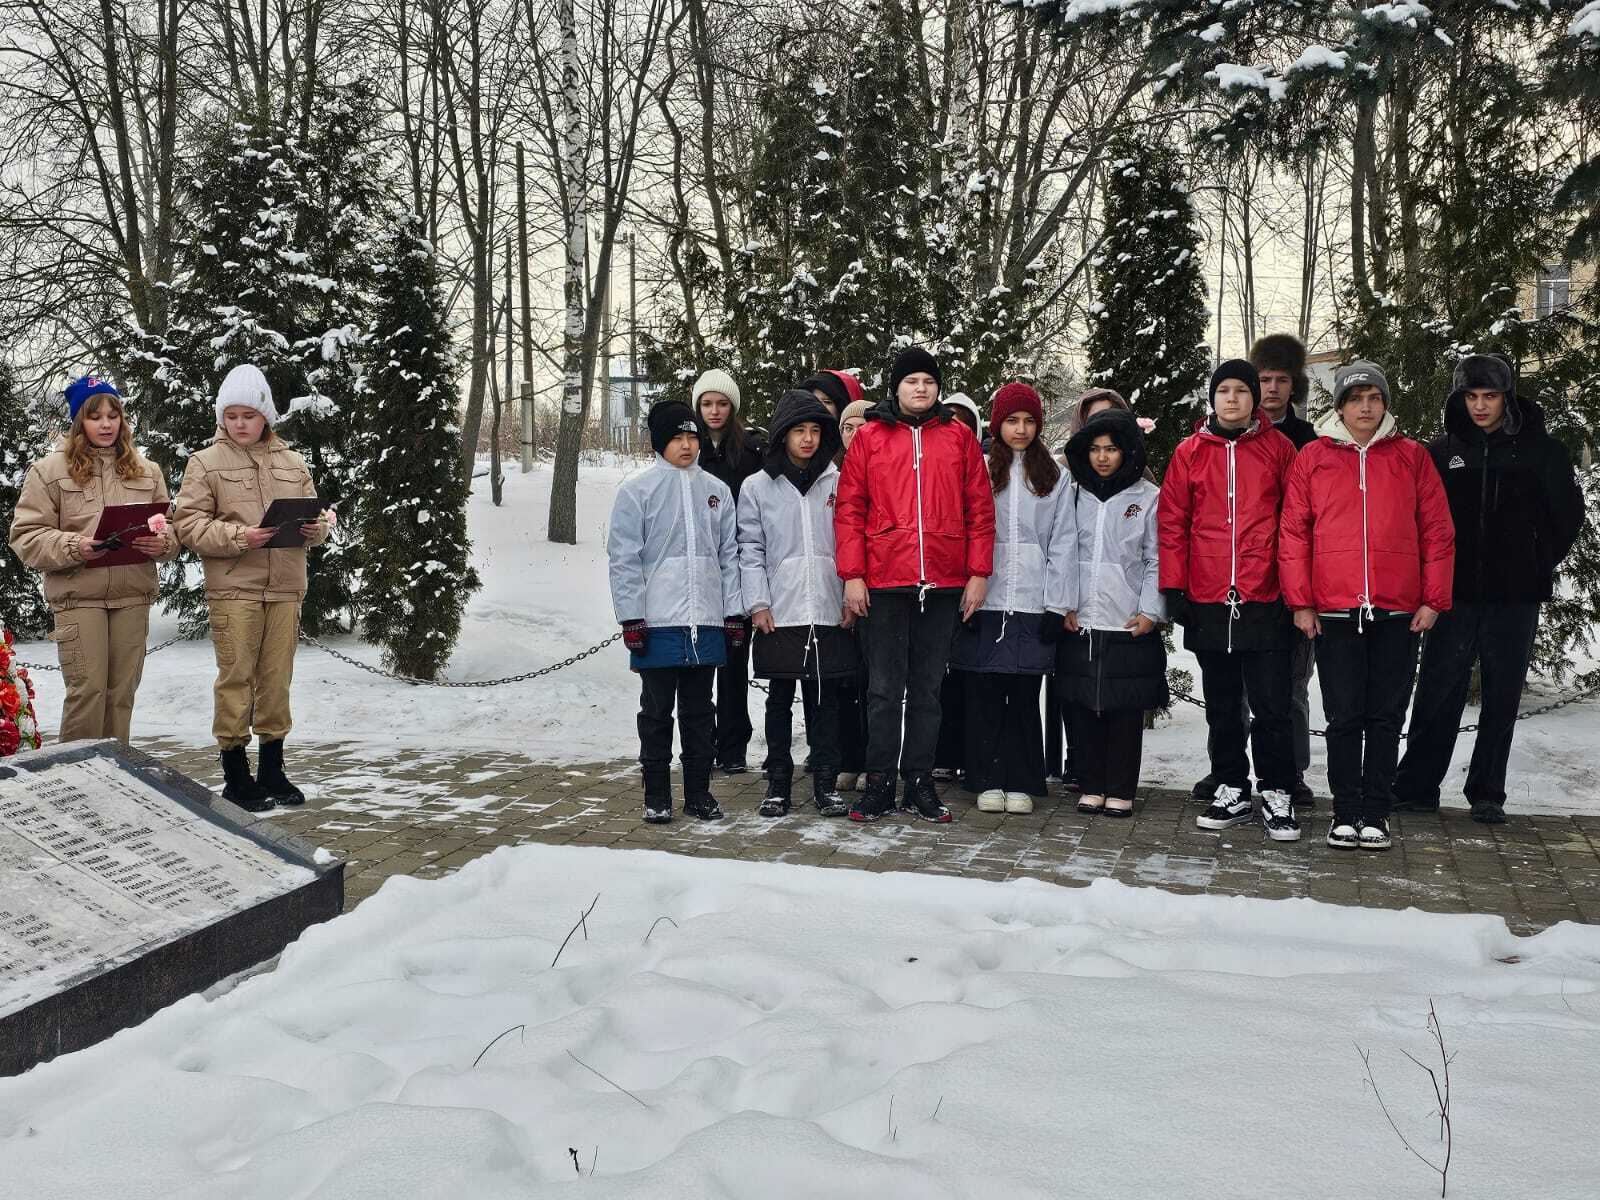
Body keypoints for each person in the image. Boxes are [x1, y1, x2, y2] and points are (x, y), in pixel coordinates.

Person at [1394, 353, 1585, 824]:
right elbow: (1420, 522)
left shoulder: (1541, 451)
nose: (1481, 406)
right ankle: (1417, 786)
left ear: (1507, 397)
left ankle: (1487, 791)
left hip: (1514, 596)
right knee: (1438, 689)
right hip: (1452, 594)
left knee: (1502, 694)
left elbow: (1567, 516)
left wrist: (1535, 559)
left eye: (1491, 396)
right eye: (1472, 396)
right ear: (1459, 398)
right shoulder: (1441, 453)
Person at [1280, 362, 1454, 850]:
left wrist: (1433, 599)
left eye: (1374, 398)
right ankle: (1345, 810)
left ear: (1385, 404)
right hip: (1334, 611)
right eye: (1356, 398)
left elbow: (1437, 532)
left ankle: (1375, 810)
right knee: (1343, 715)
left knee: (1385, 716)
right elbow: (1293, 533)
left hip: (1398, 611)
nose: (1365, 407)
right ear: (1340, 406)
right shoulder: (1313, 457)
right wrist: (1301, 602)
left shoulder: (1412, 457)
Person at [835, 346, 995, 823]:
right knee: (884, 690)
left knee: (927, 691)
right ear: (896, 387)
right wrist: (854, 575)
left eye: (928, 380)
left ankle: (919, 784)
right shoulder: (870, 438)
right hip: (884, 581)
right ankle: (879, 783)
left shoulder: (960, 438)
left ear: (938, 387)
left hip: (944, 582)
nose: (920, 388)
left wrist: (979, 573)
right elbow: (850, 511)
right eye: (911, 381)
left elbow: (980, 510)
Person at [172, 365, 330, 810]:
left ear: (266, 416)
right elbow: (188, 525)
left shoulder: (292, 462)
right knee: (237, 677)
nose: (240, 423)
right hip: (235, 589)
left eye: (249, 415)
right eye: (232, 415)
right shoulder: (205, 463)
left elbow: (312, 519)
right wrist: (242, 537)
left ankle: (274, 769)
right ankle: (236, 774)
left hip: (284, 587)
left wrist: (315, 530)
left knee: (276, 680)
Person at [1159, 360, 1301, 839]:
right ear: (1213, 398)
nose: (1234, 399)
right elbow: (1174, 523)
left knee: (1272, 705)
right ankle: (1232, 784)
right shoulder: (1189, 453)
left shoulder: (1280, 449)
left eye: (1243, 390)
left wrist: (1293, 589)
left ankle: (1278, 788)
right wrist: (1175, 588)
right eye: (1225, 390)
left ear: (1255, 399)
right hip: (1209, 596)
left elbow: (1294, 522)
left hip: (1266, 596)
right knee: (1222, 704)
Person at [9, 375, 178, 743]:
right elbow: (25, 537)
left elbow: (172, 530)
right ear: (78, 421)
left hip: (132, 595)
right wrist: (75, 546)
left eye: (113, 415)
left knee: (121, 696)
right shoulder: (49, 472)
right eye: (95, 415)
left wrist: (162, 544)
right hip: (78, 596)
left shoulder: (147, 472)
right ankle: (76, 781)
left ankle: (116, 779)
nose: (106, 424)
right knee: (88, 693)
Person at [608, 399, 745, 823]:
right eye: (677, 438)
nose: (687, 446)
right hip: (658, 622)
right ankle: (657, 794)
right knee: (656, 710)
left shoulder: (716, 491)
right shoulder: (638, 491)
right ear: (659, 443)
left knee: (700, 711)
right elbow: (624, 557)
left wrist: (733, 613)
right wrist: (632, 616)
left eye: (692, 437)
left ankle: (699, 792)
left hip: (705, 620)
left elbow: (730, 556)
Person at [738, 390, 858, 817]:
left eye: (814, 431)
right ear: (782, 435)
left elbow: (849, 541)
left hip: (827, 605)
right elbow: (750, 549)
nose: (807, 439)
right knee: (778, 701)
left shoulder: (838, 480)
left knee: (824, 701)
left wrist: (848, 594)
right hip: (781, 608)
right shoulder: (758, 486)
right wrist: (758, 602)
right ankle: (778, 784)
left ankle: (825, 783)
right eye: (798, 431)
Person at [1048, 409, 1167, 816]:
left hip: (1126, 618)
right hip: (1080, 618)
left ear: (1127, 452)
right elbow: (1061, 549)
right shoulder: (1073, 493)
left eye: (1112, 449)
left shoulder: (1147, 498)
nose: (1102, 458)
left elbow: (1156, 558)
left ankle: (1120, 787)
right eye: (1096, 449)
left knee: (1123, 709)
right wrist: (1062, 601)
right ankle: (1091, 781)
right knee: (1081, 705)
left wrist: (1151, 610)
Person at [952, 382, 1063, 813]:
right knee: (984, 693)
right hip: (986, 597)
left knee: (1022, 693)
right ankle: (985, 776)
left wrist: (1057, 602)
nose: (1021, 429)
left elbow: (1062, 542)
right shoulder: (977, 469)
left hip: (1032, 600)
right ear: (997, 425)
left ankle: (1021, 777)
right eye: (1012, 421)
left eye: (1029, 421)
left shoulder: (1054, 476)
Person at [693, 368, 763, 774]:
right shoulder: (688, 447)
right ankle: (703, 741)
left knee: (736, 664)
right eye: (707, 404)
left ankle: (734, 744)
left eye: (721, 404)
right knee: (702, 664)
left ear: (733, 407)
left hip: (740, 565)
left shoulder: (751, 450)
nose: (714, 411)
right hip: (702, 569)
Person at [833, 397, 874, 790]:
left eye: (862, 426)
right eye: (848, 427)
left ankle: (874, 762)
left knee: (873, 681)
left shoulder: (881, 471)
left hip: (873, 590)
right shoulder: (829, 475)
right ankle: (847, 756)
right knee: (844, 682)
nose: (855, 434)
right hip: (834, 591)